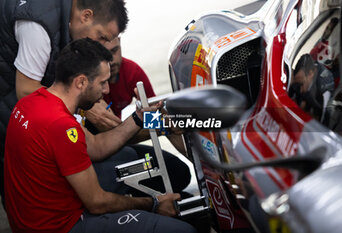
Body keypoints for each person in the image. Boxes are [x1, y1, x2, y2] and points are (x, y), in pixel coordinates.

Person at [4, 38, 196, 233]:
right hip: (61, 226)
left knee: (148, 162)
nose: (106, 90)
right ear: (81, 82)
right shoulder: (61, 126)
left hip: (32, 217)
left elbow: (95, 147)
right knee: (184, 230)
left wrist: (138, 118)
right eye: (102, 83)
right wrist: (154, 203)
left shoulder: (31, 102)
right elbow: (97, 202)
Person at [0, 0, 128, 206]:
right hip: (12, 111)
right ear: (86, 16)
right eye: (101, 37)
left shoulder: (65, 18)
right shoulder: (38, 25)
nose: (100, 46)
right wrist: (83, 109)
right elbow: (25, 89)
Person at [83, 37, 191, 196]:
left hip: (119, 144)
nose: (111, 61)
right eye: (103, 55)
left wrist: (201, 166)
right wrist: (161, 125)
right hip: (92, 154)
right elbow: (115, 132)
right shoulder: (86, 85)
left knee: (181, 173)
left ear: (120, 43)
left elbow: (157, 117)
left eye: (114, 51)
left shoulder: (132, 72)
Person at [289, 53, 335, 122]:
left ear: (310, 74)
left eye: (302, 85)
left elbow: (324, 122)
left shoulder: (324, 89)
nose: (301, 90)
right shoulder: (303, 75)